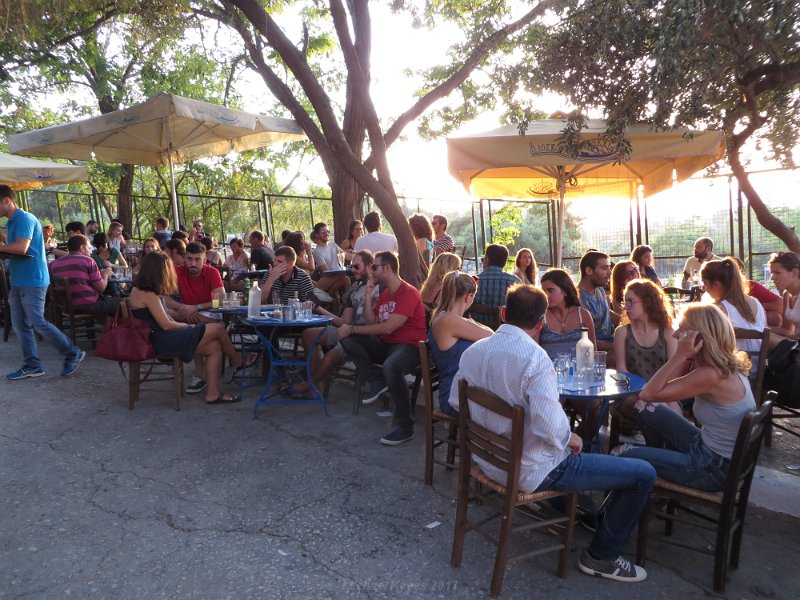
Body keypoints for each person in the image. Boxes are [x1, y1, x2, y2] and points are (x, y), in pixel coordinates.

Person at [449, 284, 655, 582]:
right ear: (541, 322)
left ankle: (573, 516)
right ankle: (602, 556)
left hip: (488, 462)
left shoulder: (474, 351)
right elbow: (552, 429)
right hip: (531, 470)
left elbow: (456, 401)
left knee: (570, 448)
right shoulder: (535, 359)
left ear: (504, 313)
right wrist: (570, 437)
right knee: (643, 473)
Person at [615, 303, 755, 492]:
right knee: (643, 407)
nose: (675, 334)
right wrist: (685, 357)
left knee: (620, 453)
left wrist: (679, 356)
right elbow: (651, 396)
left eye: (682, 329)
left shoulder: (710, 375)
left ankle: (614, 513)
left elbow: (648, 392)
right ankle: (660, 463)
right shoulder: (726, 367)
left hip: (711, 467)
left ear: (699, 337)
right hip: (711, 451)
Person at [128, 252, 248, 404]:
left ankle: (212, 393)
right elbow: (166, 324)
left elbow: (165, 317)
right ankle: (236, 359)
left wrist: (185, 323)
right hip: (162, 341)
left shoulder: (141, 290)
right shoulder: (147, 293)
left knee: (215, 347)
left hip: (159, 337)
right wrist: (187, 326)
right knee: (218, 329)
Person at [337, 251, 427, 446]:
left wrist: (352, 327)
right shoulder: (385, 293)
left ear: (387, 268)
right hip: (387, 344)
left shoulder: (409, 292)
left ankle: (406, 426)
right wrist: (369, 295)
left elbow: (388, 327)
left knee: (391, 366)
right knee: (346, 338)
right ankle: (376, 381)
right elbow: (372, 322)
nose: (372, 271)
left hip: (410, 347)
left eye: (374, 267)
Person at [0, 185, 86, 379]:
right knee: (20, 325)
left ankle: (72, 352)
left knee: (38, 322)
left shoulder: (25, 219)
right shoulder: (12, 222)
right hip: (19, 279)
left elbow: (22, 248)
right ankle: (32, 365)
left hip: (33, 280)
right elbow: (14, 249)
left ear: (6, 201)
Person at [288, 250, 380, 397]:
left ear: (369, 267)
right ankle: (315, 386)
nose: (352, 270)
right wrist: (319, 309)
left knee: (330, 356)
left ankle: (308, 385)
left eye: (356, 266)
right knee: (308, 334)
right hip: (347, 331)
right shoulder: (354, 289)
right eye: (351, 266)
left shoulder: (379, 287)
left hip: (363, 338)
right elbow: (344, 322)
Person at [612, 280, 680, 422]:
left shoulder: (667, 333)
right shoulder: (623, 332)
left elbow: (673, 373)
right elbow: (621, 370)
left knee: (667, 406)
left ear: (647, 302)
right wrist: (643, 392)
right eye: (625, 302)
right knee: (657, 407)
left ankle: (673, 443)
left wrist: (655, 392)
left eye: (631, 301)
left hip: (662, 390)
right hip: (631, 392)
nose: (626, 307)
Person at [429, 271, 493, 415]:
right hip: (455, 395)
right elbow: (492, 336)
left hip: (464, 389)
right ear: (468, 297)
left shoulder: (449, 318)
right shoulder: (447, 320)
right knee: (505, 412)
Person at [701, 258, 767, 363]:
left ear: (716, 284)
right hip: (757, 369)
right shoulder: (756, 303)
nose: (704, 288)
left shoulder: (718, 309)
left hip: (733, 371)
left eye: (705, 283)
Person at [50, 234, 121, 316]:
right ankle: (114, 327)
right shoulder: (88, 261)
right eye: (89, 248)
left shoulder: (54, 264)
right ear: (82, 248)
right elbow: (101, 288)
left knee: (108, 301)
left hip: (65, 306)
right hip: (88, 305)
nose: (91, 251)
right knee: (122, 303)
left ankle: (106, 325)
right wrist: (105, 274)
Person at [536, 268, 596, 359]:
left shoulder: (583, 315)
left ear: (565, 291)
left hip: (579, 371)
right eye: (543, 291)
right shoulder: (541, 316)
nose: (546, 295)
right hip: (549, 371)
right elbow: (535, 351)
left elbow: (593, 352)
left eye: (550, 290)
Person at [578, 250, 616, 357]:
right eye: (604, 268)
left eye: (609, 268)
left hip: (611, 341)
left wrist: (628, 321)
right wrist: (613, 346)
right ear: (589, 270)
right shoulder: (577, 298)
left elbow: (606, 313)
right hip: (595, 352)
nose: (610, 272)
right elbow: (582, 338)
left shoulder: (599, 289)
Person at [473, 243, 520, 325]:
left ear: (486, 260)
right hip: (505, 332)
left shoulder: (473, 281)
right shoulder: (515, 282)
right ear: (505, 263)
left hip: (475, 332)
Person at [310, 222, 350, 297]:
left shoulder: (333, 245)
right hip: (328, 278)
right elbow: (327, 271)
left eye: (327, 231)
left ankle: (340, 300)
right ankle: (330, 298)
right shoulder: (317, 251)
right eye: (323, 232)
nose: (326, 234)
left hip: (339, 275)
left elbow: (347, 256)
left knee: (346, 279)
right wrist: (341, 271)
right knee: (344, 277)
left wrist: (358, 254)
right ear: (317, 235)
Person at [769, 251, 800, 337]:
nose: (772, 277)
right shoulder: (787, 294)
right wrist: (760, 328)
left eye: (777, 273)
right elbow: (787, 331)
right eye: (772, 273)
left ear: (794, 273)